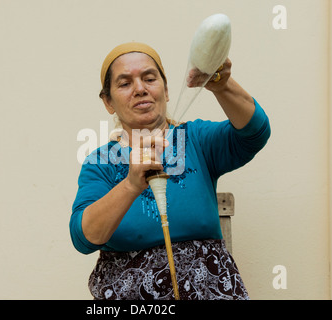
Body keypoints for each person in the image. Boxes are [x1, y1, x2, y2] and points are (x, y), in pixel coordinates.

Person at [70, 42, 271, 300]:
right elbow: (84, 237)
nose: (140, 89)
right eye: (124, 83)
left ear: (165, 90)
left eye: (149, 79)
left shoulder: (196, 139)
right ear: (108, 102)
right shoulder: (101, 162)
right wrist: (130, 185)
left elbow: (254, 133)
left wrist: (222, 86)